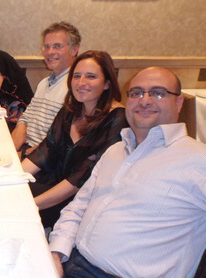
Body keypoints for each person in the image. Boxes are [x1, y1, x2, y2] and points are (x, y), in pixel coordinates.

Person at [49, 67, 206, 278]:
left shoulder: (198, 159)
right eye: (136, 93)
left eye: (158, 93)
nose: (145, 101)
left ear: (179, 103)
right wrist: (56, 253)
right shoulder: (116, 150)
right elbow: (78, 206)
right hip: (70, 261)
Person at [21, 50, 128, 229]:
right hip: (55, 187)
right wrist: (12, 178)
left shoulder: (117, 119)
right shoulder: (70, 111)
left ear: (107, 83)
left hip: (81, 205)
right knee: (2, 194)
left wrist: (31, 206)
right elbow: (45, 151)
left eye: (91, 76)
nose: (81, 83)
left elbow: (81, 178)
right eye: (76, 76)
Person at [12, 22, 81, 160]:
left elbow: (59, 143)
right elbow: (25, 120)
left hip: (46, 161)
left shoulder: (76, 88)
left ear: (74, 50)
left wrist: (21, 156)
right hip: (28, 150)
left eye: (57, 46)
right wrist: (10, 152)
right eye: (47, 46)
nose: (49, 52)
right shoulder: (44, 84)